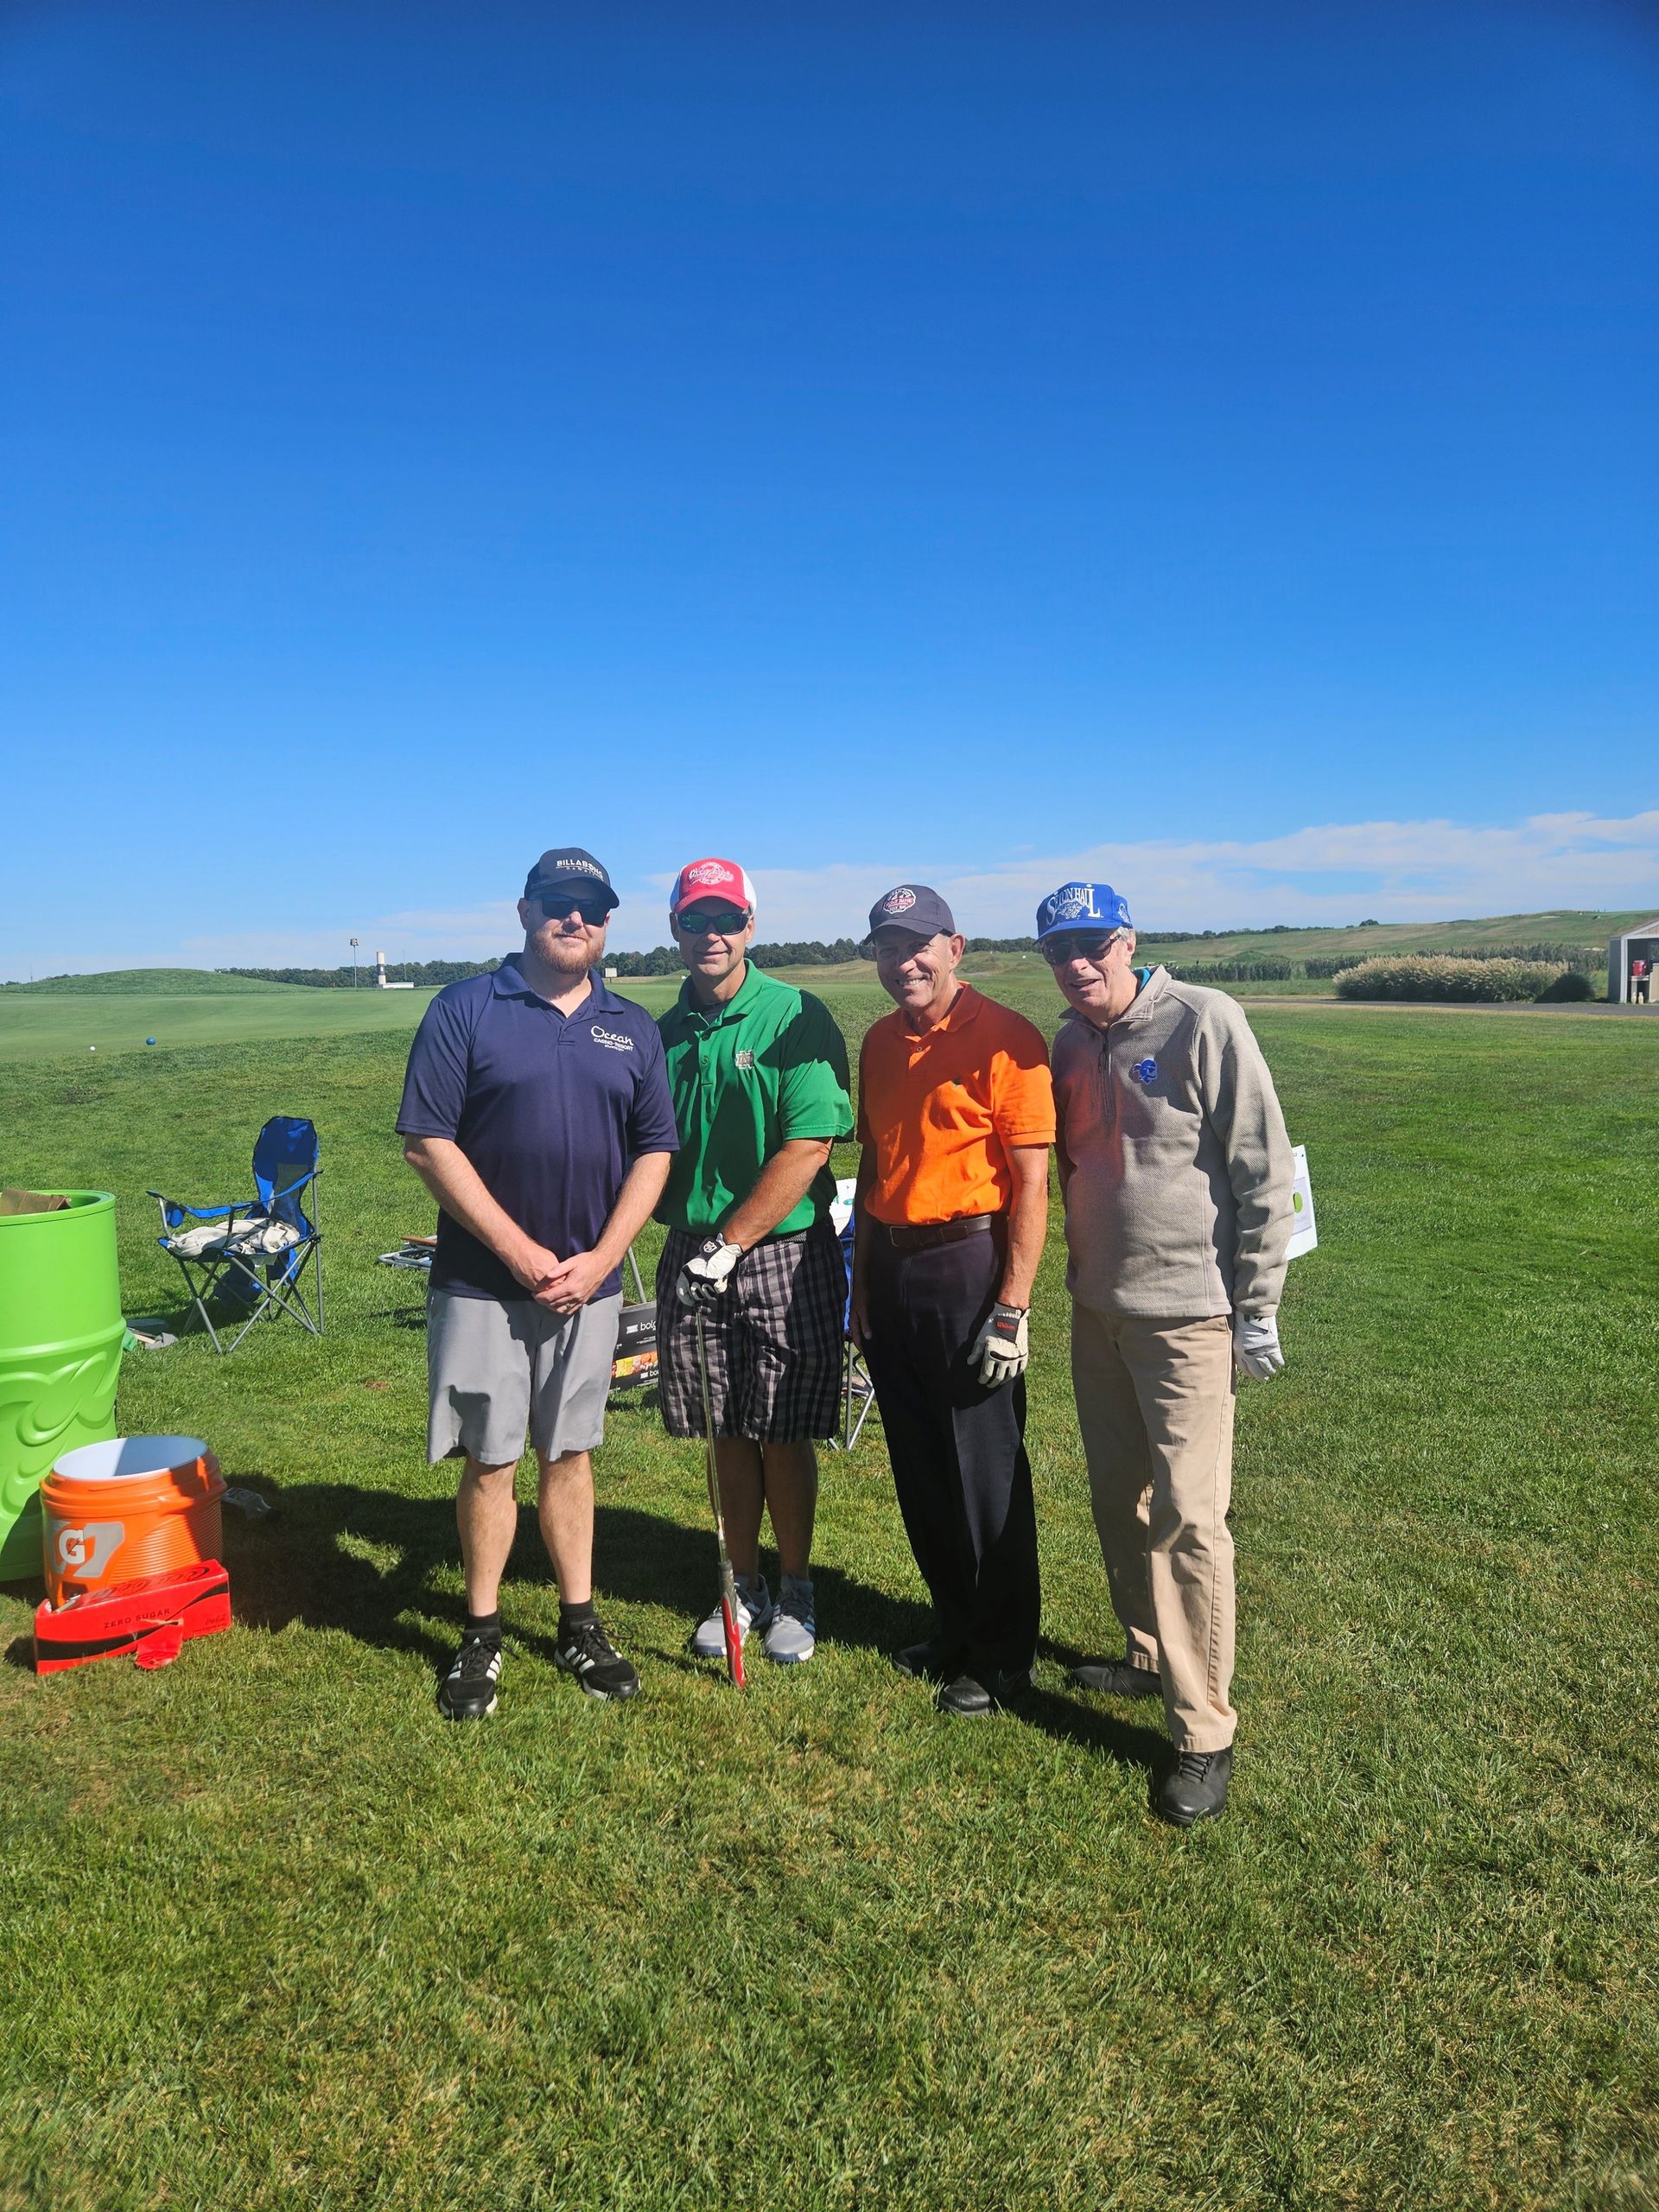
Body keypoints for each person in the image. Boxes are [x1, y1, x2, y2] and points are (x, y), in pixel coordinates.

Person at [397, 846, 679, 1719]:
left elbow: (655, 1151)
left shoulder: (631, 1026)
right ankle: (481, 1633)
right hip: (483, 1284)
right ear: (525, 911)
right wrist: (519, 1251)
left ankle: (578, 1624)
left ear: (607, 922)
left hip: (589, 1287)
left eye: (592, 906)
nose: (575, 918)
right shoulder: (466, 1008)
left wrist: (603, 1259)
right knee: (491, 1459)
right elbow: (427, 1143)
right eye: (558, 902)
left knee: (571, 1453)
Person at [1041, 880, 1293, 1827]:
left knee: (1189, 1516)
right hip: (1097, 1309)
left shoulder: (1202, 1018)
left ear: (1129, 940)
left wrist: (1257, 1305)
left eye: (1094, 944)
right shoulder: (1069, 1041)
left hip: (1188, 1315)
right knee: (1119, 1499)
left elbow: (1262, 1165)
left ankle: (1202, 1730)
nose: (1079, 964)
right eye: (1060, 950)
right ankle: (1148, 1655)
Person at [850, 884, 1055, 1716]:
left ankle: (1004, 1654)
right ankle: (953, 1625)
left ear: (954, 948)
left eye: (919, 945)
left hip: (970, 1263)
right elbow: (874, 1165)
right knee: (919, 1463)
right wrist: (861, 1286)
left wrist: (1012, 1306)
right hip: (893, 1270)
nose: (904, 962)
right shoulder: (877, 1042)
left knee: (983, 1468)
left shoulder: (1009, 1038)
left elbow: (1033, 1184)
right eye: (888, 948)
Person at [654, 856, 855, 1664]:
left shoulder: (795, 1016)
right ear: (675, 928)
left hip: (780, 1250)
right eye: (696, 920)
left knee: (781, 1428)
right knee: (725, 1428)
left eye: (727, 919)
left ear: (751, 926)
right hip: (691, 1248)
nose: (713, 934)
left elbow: (810, 1145)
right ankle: (742, 1584)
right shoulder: (661, 1033)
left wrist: (730, 1245)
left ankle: (796, 1587)